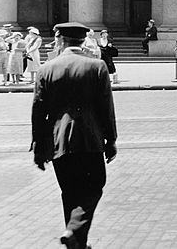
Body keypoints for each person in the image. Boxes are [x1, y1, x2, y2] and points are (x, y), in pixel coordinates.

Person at [31, 21, 117, 249]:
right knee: (94, 186)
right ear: (83, 40)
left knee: (69, 190)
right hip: (90, 138)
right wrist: (111, 140)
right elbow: (106, 107)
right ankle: (74, 232)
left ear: (60, 40)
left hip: (58, 142)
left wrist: (39, 147)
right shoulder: (97, 66)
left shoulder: (46, 69)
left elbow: (38, 110)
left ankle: (77, 241)